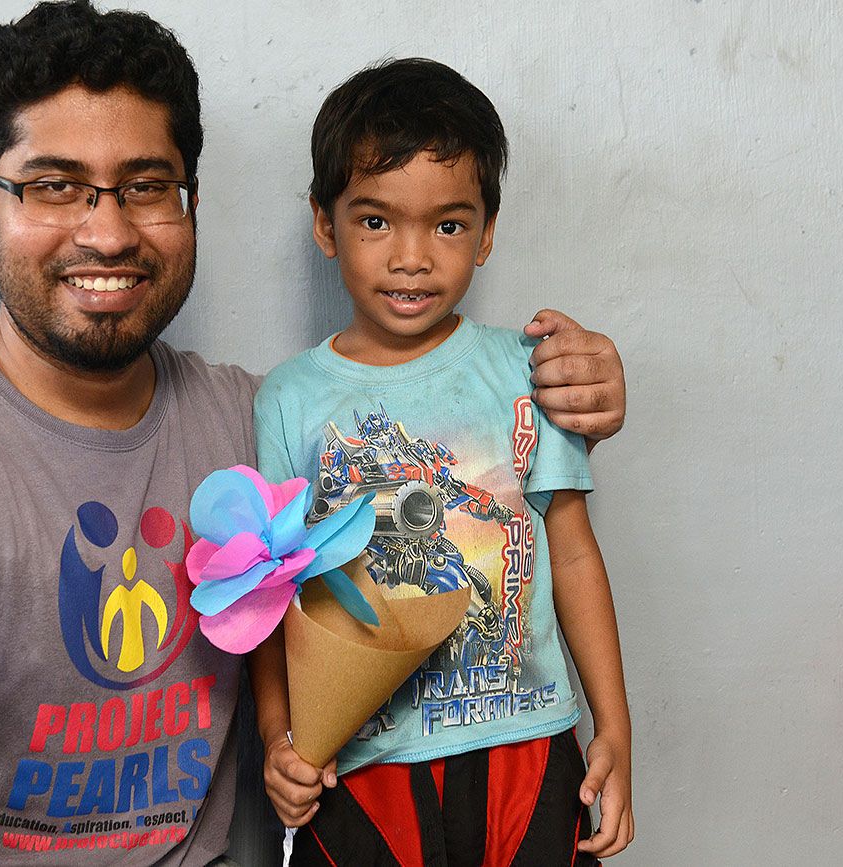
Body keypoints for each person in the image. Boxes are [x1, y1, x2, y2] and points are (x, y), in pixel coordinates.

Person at [0, 3, 628, 864]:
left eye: (145, 187)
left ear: (191, 207)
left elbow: (424, 428)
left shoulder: (251, 417)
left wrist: (575, 380)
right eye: (54, 185)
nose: (107, 231)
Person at [250, 59, 634, 864]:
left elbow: (572, 551)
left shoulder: (528, 370)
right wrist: (279, 737)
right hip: (363, 763)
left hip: (527, 744)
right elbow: (271, 595)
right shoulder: (287, 399)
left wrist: (615, 723)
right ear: (325, 224)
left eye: (449, 226)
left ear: (487, 231)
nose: (412, 257)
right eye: (376, 221)